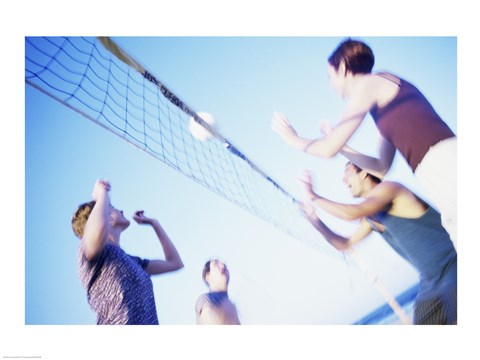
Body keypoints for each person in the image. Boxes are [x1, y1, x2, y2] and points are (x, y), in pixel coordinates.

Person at [272, 38, 457, 247]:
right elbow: (381, 168)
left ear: (342, 68)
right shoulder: (383, 104)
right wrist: (339, 144)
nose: (330, 84)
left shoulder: (369, 83)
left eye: (330, 76)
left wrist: (292, 139)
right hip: (434, 170)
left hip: (444, 162)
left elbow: (327, 150)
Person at [298, 163, 457, 325]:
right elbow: (344, 244)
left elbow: (351, 213)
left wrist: (313, 196)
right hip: (431, 283)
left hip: (454, 267)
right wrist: (315, 221)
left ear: (364, 173)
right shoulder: (371, 218)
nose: (343, 180)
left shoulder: (391, 188)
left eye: (347, 172)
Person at [71, 179, 184, 325]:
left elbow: (175, 263)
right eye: (112, 207)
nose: (121, 210)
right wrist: (101, 195)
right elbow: (97, 233)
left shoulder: (133, 262)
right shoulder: (87, 252)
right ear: (104, 215)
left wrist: (154, 223)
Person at [195, 259, 241, 325]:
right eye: (216, 264)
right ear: (207, 276)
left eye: (224, 265)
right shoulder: (206, 299)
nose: (223, 266)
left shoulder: (233, 306)